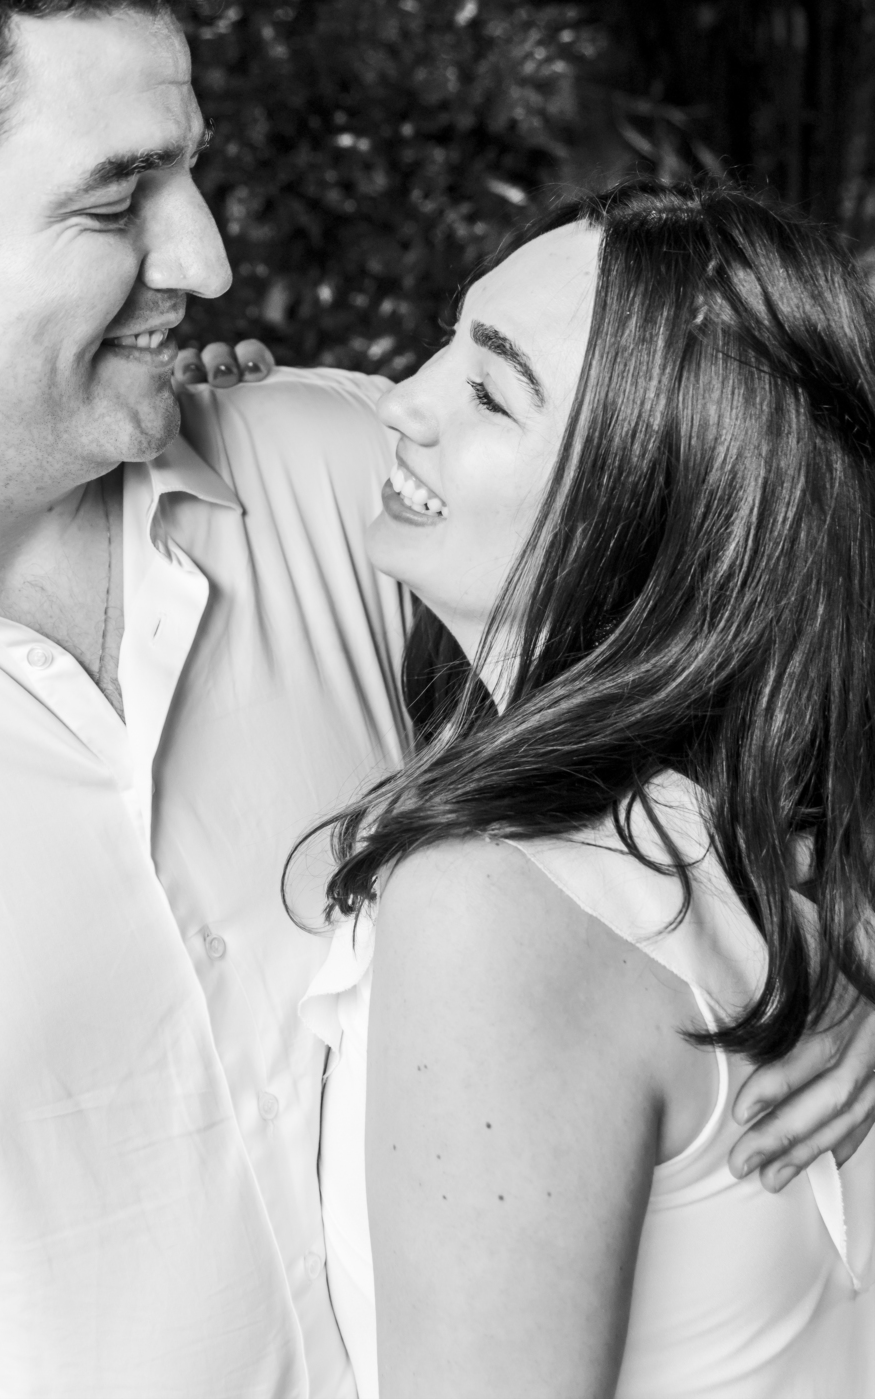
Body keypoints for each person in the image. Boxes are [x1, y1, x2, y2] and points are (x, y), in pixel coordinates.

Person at [0, 0, 870, 1398]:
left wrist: (834, 932)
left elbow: (745, 594)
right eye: (119, 198)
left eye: (192, 171)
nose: (211, 256)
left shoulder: (349, 476)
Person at [300, 181, 875, 1397]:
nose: (403, 400)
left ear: (653, 504)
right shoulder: (780, 847)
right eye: (452, 339)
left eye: (492, 390)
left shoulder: (500, 906)